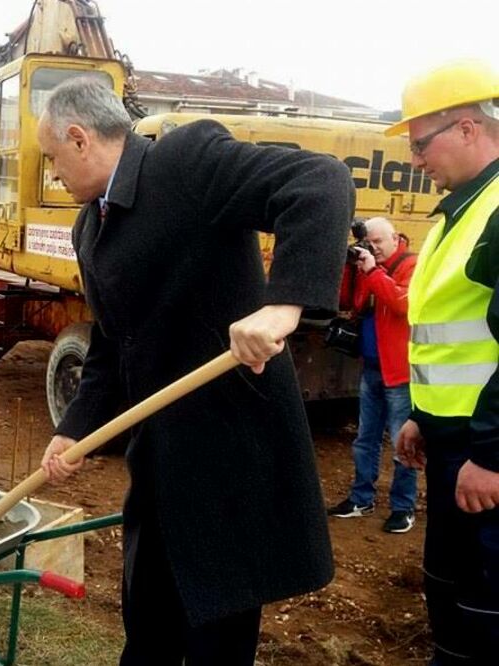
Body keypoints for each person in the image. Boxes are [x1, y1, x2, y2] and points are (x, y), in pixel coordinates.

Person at [37, 78, 353, 664]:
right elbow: (112, 340)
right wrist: (74, 429)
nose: (53, 174)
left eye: (52, 158)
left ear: (79, 138)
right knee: (147, 629)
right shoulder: (89, 227)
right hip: (159, 460)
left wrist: (284, 305)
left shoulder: (185, 162)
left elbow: (320, 181)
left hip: (227, 458)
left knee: (216, 641)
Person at [390, 59, 499, 664]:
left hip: (485, 453)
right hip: (452, 441)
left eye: (419, 144)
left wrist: (492, 455)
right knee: (451, 591)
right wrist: (420, 415)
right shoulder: (460, 211)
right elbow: (449, 338)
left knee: (486, 607)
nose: (415, 161)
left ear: (466, 128)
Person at [328, 217, 419, 533]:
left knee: (402, 444)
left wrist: (372, 270)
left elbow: (402, 304)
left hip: (399, 372)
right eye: (370, 242)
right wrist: (349, 266)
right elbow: (348, 301)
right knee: (365, 440)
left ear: (395, 238)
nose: (374, 248)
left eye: (379, 241)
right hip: (371, 368)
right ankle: (361, 499)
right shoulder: (368, 265)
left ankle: (403, 508)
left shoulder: (411, 265)